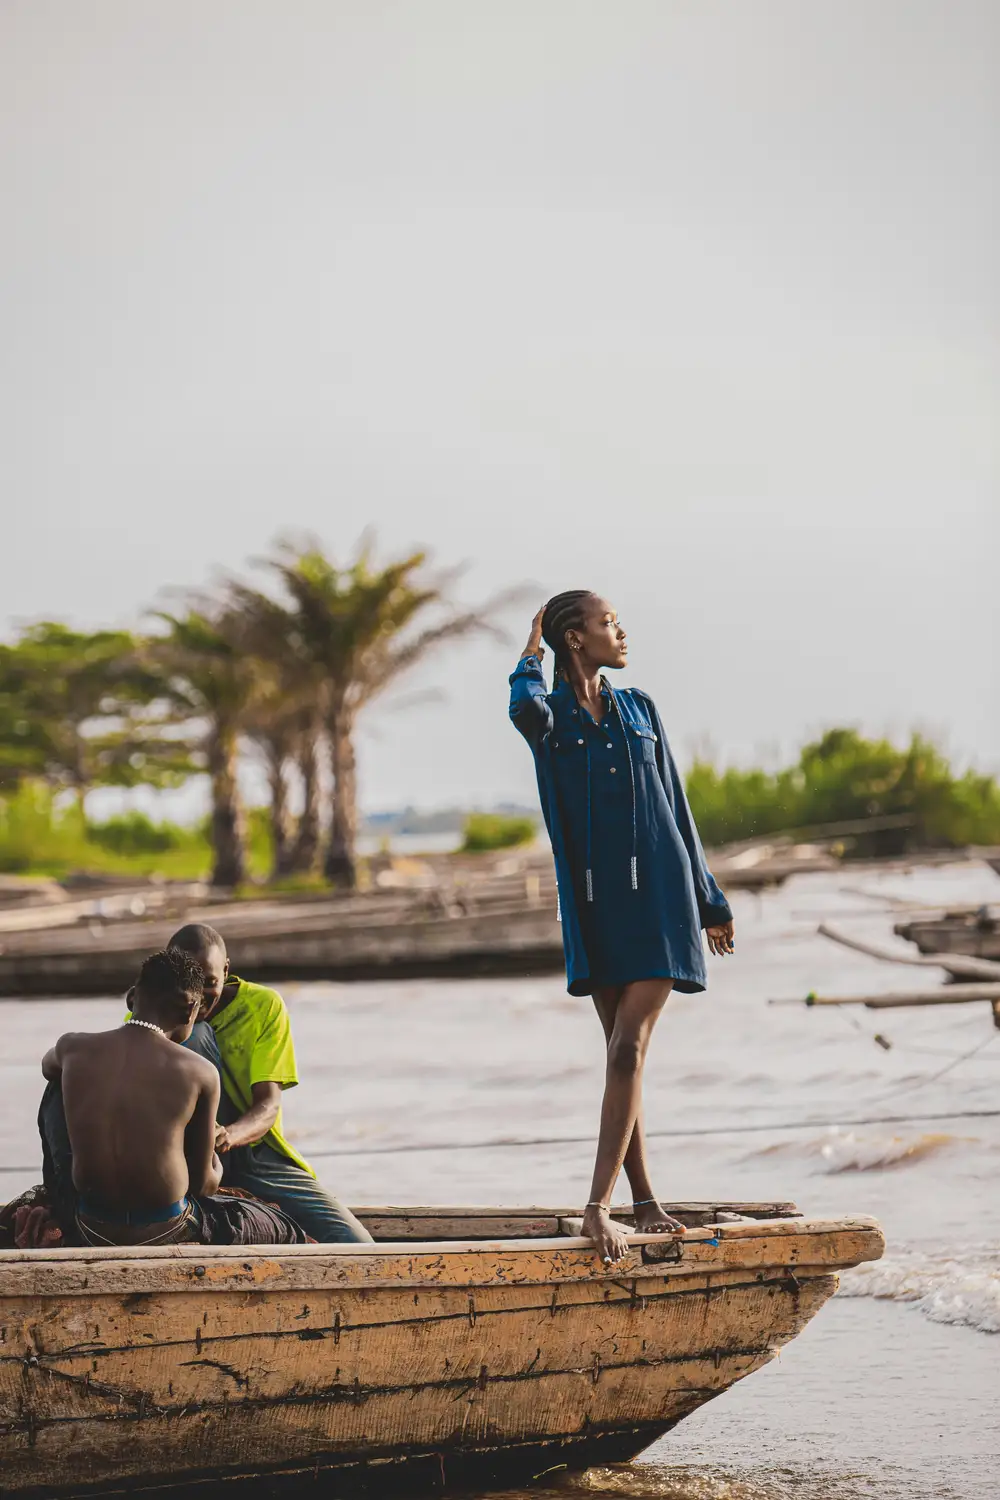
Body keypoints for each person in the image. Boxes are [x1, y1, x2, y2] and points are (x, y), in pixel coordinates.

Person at [509, 593, 735, 1265]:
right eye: (608, 622)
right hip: (593, 903)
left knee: (627, 1050)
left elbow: (677, 805)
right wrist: (530, 648)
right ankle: (643, 1200)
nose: (621, 630)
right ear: (575, 638)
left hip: (661, 898)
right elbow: (522, 704)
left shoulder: (640, 709)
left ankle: (597, 1207)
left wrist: (709, 897)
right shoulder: (545, 717)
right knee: (618, 1054)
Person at [40, 948, 312, 1248]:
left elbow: (47, 1066)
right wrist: (216, 1164)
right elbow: (202, 1185)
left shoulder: (72, 1047)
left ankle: (58, 1195)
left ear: (132, 998)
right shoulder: (200, 1072)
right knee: (285, 1228)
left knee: (55, 1085)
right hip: (165, 1229)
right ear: (190, 1011)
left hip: (90, 1224)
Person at [161, 923, 372, 1245]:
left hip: (254, 1154)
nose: (198, 996)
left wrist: (226, 1135)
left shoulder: (262, 1006)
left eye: (210, 983)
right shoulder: (149, 1016)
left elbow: (268, 1105)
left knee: (354, 1243)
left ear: (226, 971)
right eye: (188, 983)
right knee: (197, 1033)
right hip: (181, 1164)